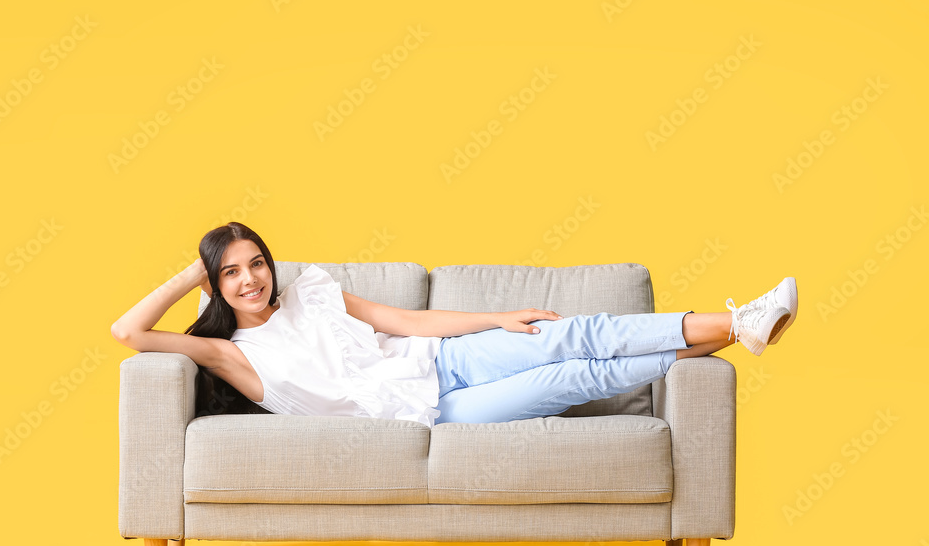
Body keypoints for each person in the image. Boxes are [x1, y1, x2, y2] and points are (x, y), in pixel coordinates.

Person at [110, 222, 797, 425]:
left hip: (442, 363)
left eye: (255, 263)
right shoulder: (226, 352)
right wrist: (191, 272)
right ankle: (738, 332)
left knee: (570, 335)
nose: (250, 279)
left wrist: (494, 318)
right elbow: (128, 332)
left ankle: (741, 322)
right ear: (216, 283)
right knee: (572, 377)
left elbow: (405, 320)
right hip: (435, 413)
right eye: (231, 273)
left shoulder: (312, 291)